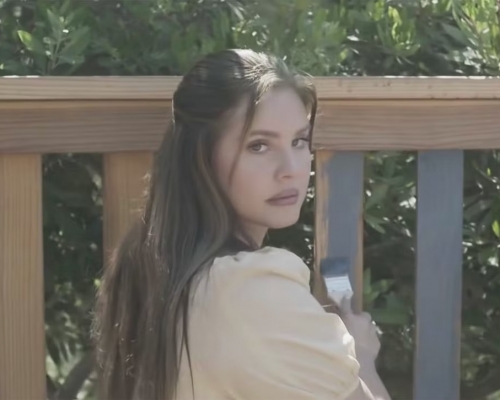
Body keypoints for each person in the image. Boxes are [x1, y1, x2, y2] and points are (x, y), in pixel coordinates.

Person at [92, 49, 391, 400]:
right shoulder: (249, 286)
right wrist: (361, 357)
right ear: (200, 157)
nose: (291, 169)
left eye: (299, 141)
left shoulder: (148, 260)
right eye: (259, 146)